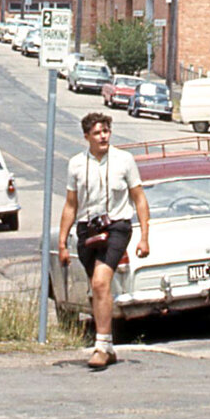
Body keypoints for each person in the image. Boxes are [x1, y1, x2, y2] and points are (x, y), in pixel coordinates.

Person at [57, 112, 149, 370]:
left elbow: (139, 198)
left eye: (106, 131)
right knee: (98, 289)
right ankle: (107, 347)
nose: (103, 137)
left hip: (117, 227)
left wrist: (144, 237)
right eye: (97, 133)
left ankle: (101, 346)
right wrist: (62, 244)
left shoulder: (124, 161)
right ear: (86, 136)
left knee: (99, 283)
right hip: (88, 230)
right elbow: (71, 205)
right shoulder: (76, 164)